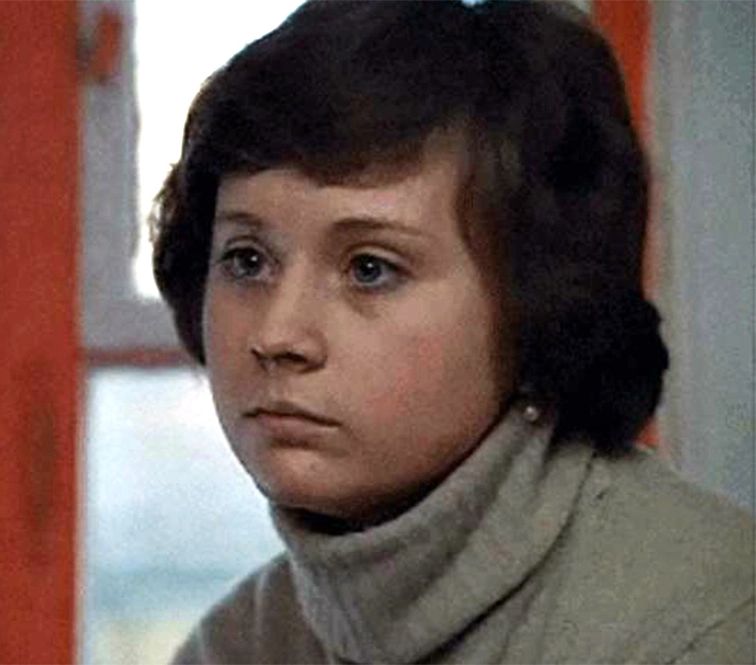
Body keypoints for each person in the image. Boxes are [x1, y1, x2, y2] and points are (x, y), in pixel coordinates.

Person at [149, 1, 755, 663]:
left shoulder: (707, 626)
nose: (278, 334)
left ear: (538, 303)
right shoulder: (236, 644)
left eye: (370, 269)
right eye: (246, 261)